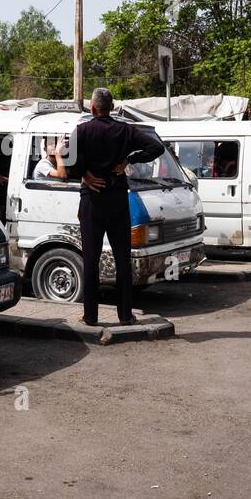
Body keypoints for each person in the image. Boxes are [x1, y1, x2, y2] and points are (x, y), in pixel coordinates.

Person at [61, 88, 165, 326]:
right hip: (118, 199)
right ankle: (125, 315)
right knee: (122, 259)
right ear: (111, 107)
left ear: (93, 108)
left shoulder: (83, 129)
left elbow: (66, 156)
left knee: (91, 258)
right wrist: (129, 159)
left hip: (92, 200)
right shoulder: (126, 129)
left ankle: (90, 316)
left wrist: (85, 175)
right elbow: (156, 148)